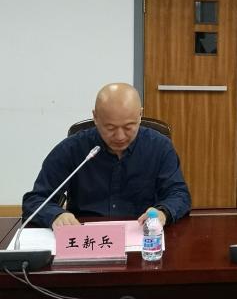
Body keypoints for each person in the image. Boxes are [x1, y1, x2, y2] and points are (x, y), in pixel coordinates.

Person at [22, 83, 191, 229]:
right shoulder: (72, 149)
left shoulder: (159, 147)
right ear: (95, 117)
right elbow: (35, 199)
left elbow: (179, 195)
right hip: (86, 236)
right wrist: (56, 215)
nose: (120, 136)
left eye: (128, 127)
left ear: (140, 115)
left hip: (142, 234)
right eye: (110, 128)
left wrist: (162, 212)